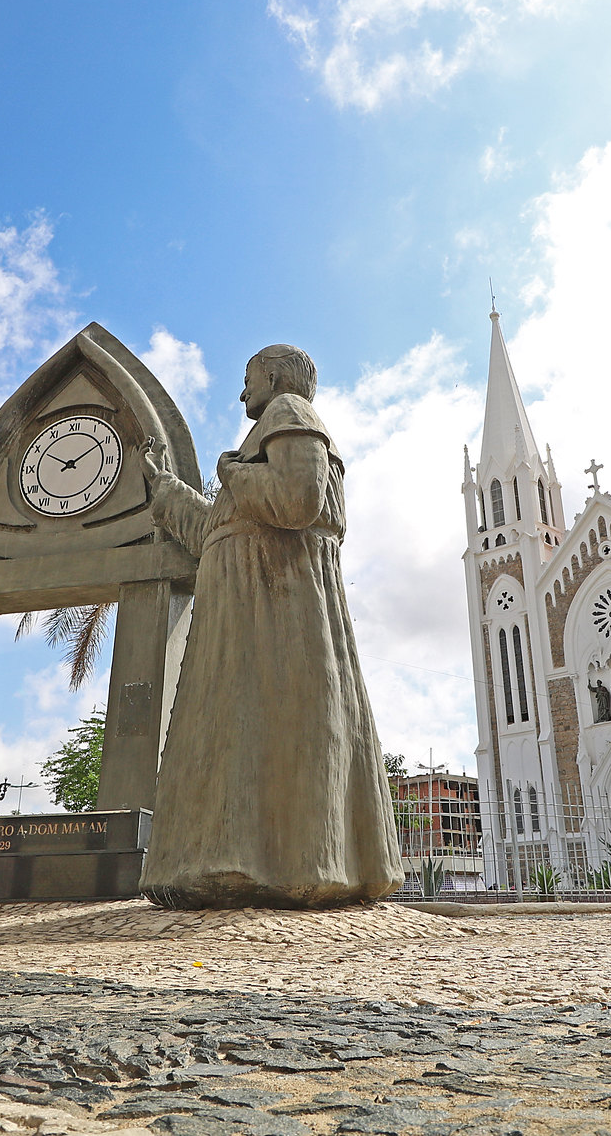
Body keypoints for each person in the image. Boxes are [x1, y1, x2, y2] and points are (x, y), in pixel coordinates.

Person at [138, 344, 403, 909]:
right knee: (242, 735)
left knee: (284, 730)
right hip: (247, 608)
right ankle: (229, 860)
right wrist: (163, 491)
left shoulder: (289, 414)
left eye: (248, 379)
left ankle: (296, 863)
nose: (242, 394)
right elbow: (216, 529)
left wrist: (230, 470)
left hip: (280, 607)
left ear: (276, 377)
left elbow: (296, 501)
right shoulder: (272, 433)